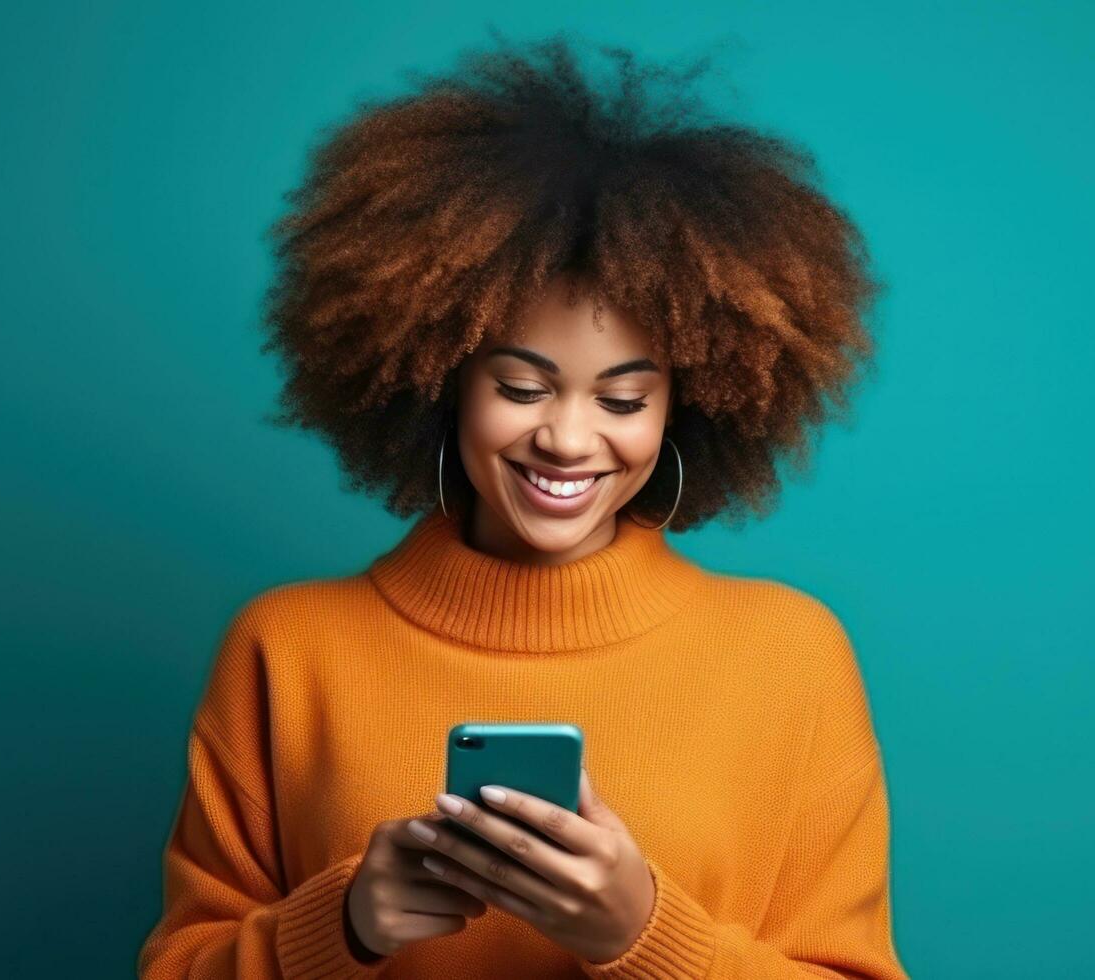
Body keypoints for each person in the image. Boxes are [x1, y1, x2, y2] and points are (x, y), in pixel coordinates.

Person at [137, 30, 906, 979]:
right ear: (440, 379)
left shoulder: (789, 658)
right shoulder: (288, 651)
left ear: (688, 406)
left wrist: (645, 937)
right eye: (523, 386)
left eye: (623, 400)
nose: (570, 441)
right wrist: (340, 926)